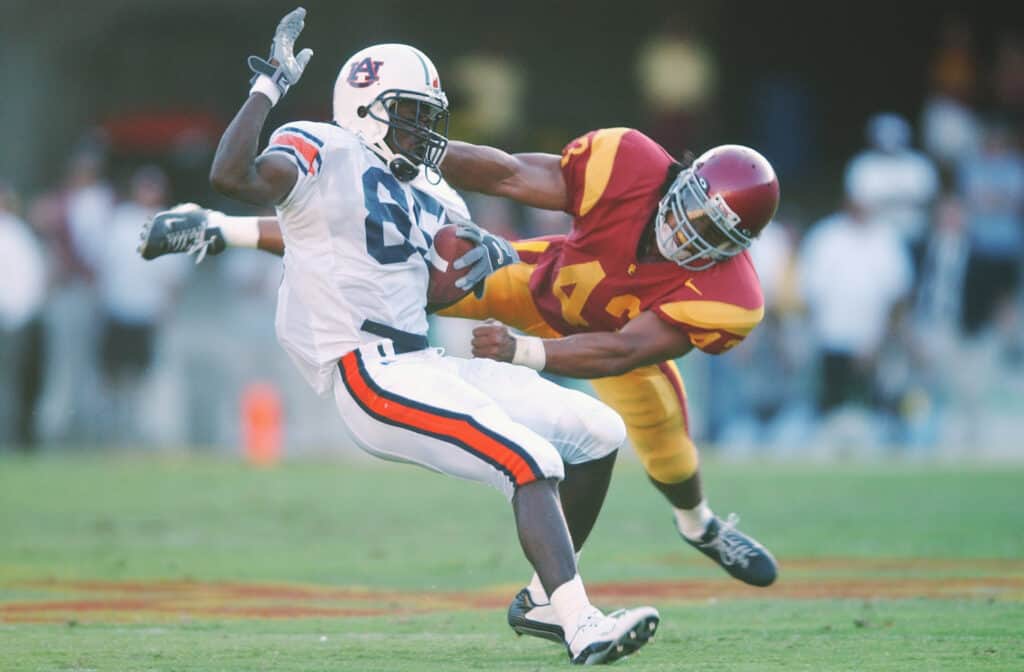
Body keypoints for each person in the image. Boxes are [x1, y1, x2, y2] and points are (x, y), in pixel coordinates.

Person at [142, 11, 781, 641]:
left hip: (585, 340)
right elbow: (332, 228)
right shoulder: (330, 147)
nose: (688, 233)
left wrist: (508, 316)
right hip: (477, 312)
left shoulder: (437, 194)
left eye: (713, 234)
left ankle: (679, 534)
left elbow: (621, 350)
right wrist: (225, 222)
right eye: (413, 114)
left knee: (627, 429)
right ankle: (580, 620)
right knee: (529, 454)